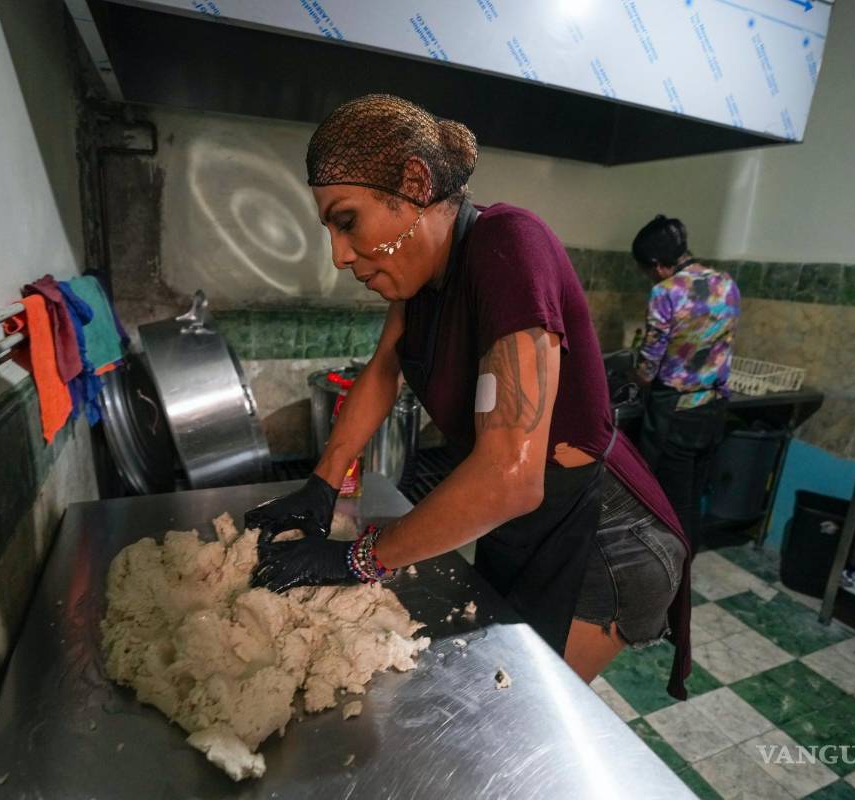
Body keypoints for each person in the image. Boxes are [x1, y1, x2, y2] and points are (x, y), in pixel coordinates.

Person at [246, 95, 694, 697]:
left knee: (523, 712)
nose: (339, 254)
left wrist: (357, 560)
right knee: (498, 687)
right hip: (523, 528)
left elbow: (511, 478)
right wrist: (323, 484)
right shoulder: (422, 283)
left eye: (346, 220)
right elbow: (382, 372)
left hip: (604, 541)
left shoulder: (510, 246)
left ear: (413, 184)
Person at [631, 215, 740, 556]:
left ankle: (668, 569)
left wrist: (638, 379)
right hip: (713, 408)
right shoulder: (726, 283)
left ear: (656, 265)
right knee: (692, 495)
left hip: (674, 411)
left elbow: (650, 363)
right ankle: (687, 562)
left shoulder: (666, 292)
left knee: (664, 497)